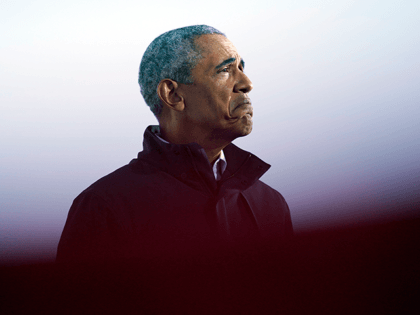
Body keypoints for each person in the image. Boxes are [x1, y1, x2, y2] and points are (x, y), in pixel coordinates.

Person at [56, 25, 293, 264]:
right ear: (173, 95)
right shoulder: (104, 206)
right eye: (225, 70)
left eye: (242, 68)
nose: (246, 83)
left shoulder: (270, 204)